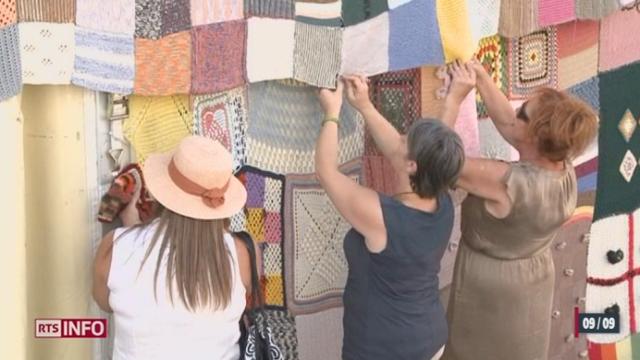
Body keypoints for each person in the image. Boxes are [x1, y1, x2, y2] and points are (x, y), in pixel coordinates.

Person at [439, 61, 599, 360]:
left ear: (536, 136)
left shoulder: (504, 181)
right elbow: (511, 126)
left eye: (523, 113)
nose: (515, 114)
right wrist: (482, 78)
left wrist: (453, 100)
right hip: (532, 285)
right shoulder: (561, 166)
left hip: (489, 294)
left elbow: (433, 158)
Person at [315, 77, 465, 360]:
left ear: (411, 165)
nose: (398, 137)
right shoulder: (441, 199)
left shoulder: (381, 217)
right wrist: (364, 105)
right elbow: (413, 148)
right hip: (428, 338)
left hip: (386, 348)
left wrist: (332, 113)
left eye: (405, 139)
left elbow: (326, 172)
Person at [92, 135, 252, 360]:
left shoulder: (114, 248)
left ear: (162, 191)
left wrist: (132, 230)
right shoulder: (240, 254)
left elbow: (104, 303)